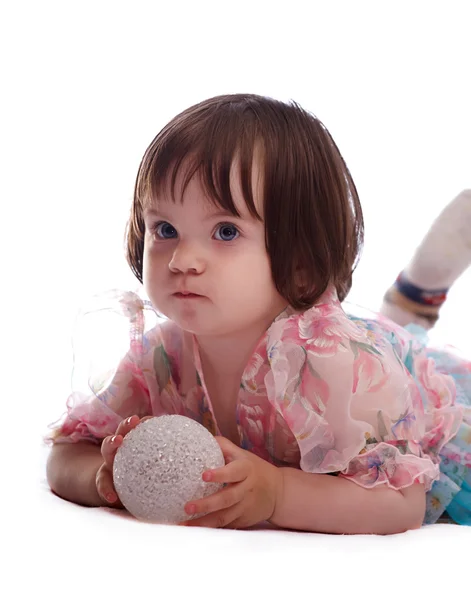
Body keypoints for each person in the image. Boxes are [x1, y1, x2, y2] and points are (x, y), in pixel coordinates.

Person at [45, 94, 471, 534]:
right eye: (165, 230)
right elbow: (67, 452)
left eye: (226, 231)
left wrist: (280, 494)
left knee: (411, 357)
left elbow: (400, 502)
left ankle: (412, 303)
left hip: (425, 398)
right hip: (379, 365)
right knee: (398, 342)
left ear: (302, 263)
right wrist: (107, 476)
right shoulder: (159, 356)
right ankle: (408, 309)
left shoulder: (335, 363)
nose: (182, 259)